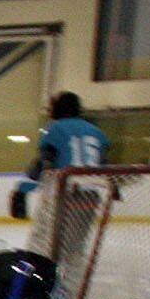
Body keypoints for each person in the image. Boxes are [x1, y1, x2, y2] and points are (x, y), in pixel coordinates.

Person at [10, 90, 109, 222]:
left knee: (53, 240)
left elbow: (44, 164)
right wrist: (114, 188)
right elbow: (104, 163)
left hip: (64, 193)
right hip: (90, 196)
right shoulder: (96, 131)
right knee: (76, 240)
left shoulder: (56, 129)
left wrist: (22, 190)